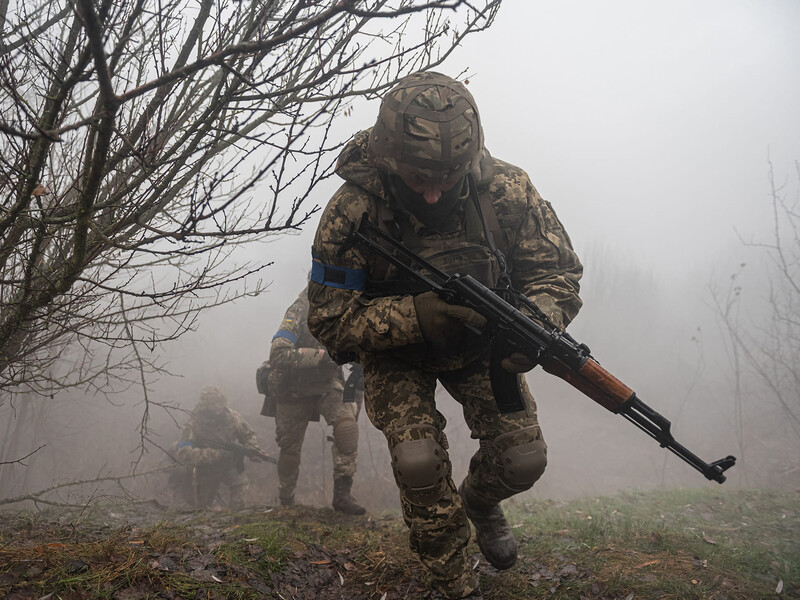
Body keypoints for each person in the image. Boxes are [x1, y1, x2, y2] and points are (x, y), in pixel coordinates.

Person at [306, 71, 582, 599]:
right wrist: (415, 315)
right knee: (418, 462)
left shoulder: (505, 191)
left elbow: (556, 273)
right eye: (416, 178)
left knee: (524, 459)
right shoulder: (353, 211)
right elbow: (329, 318)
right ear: (389, 161)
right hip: (398, 355)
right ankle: (451, 580)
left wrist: (538, 324)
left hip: (485, 346)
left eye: (449, 177)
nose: (433, 191)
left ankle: (478, 502)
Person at [269, 285, 365, 515]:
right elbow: (278, 353)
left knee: (347, 428)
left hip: (326, 386)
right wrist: (321, 357)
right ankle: (286, 499)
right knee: (290, 449)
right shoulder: (299, 311)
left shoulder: (342, 308)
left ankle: (342, 496)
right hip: (293, 388)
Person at [174, 386, 266, 510]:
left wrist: (253, 449)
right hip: (205, 469)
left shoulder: (233, 418)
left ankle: (236, 519)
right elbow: (183, 453)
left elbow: (248, 434)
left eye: (218, 409)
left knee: (241, 485)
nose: (216, 413)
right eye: (211, 410)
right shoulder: (193, 423)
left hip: (228, 466)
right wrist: (214, 454)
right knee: (201, 507)